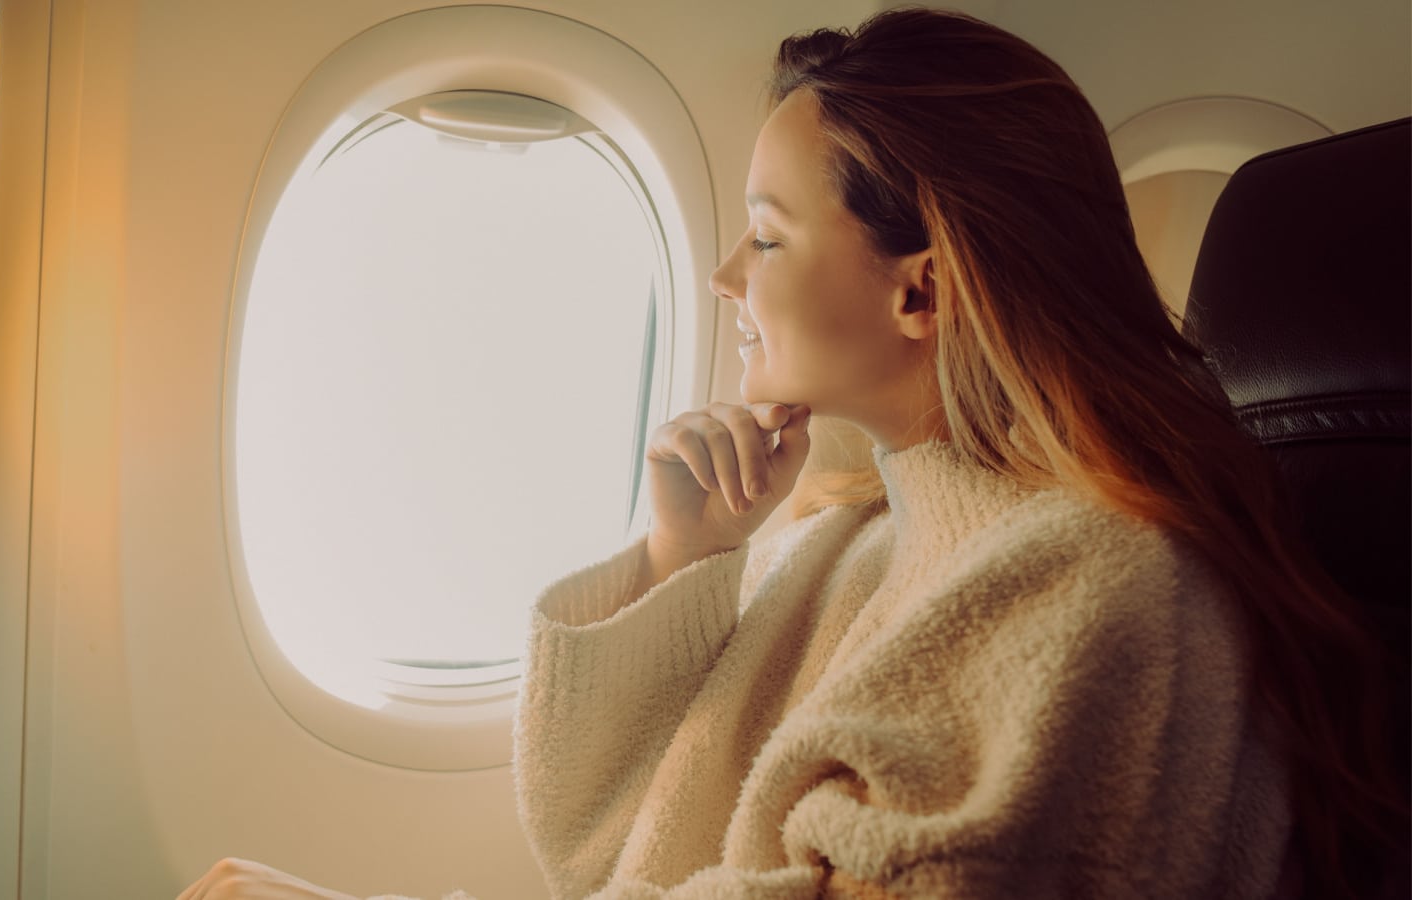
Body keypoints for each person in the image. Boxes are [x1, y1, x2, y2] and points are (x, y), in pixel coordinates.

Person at [178, 8, 1405, 899]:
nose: (722, 280)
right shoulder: (857, 537)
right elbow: (608, 838)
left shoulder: (1091, 585)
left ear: (919, 291)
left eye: (763, 238)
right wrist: (686, 550)